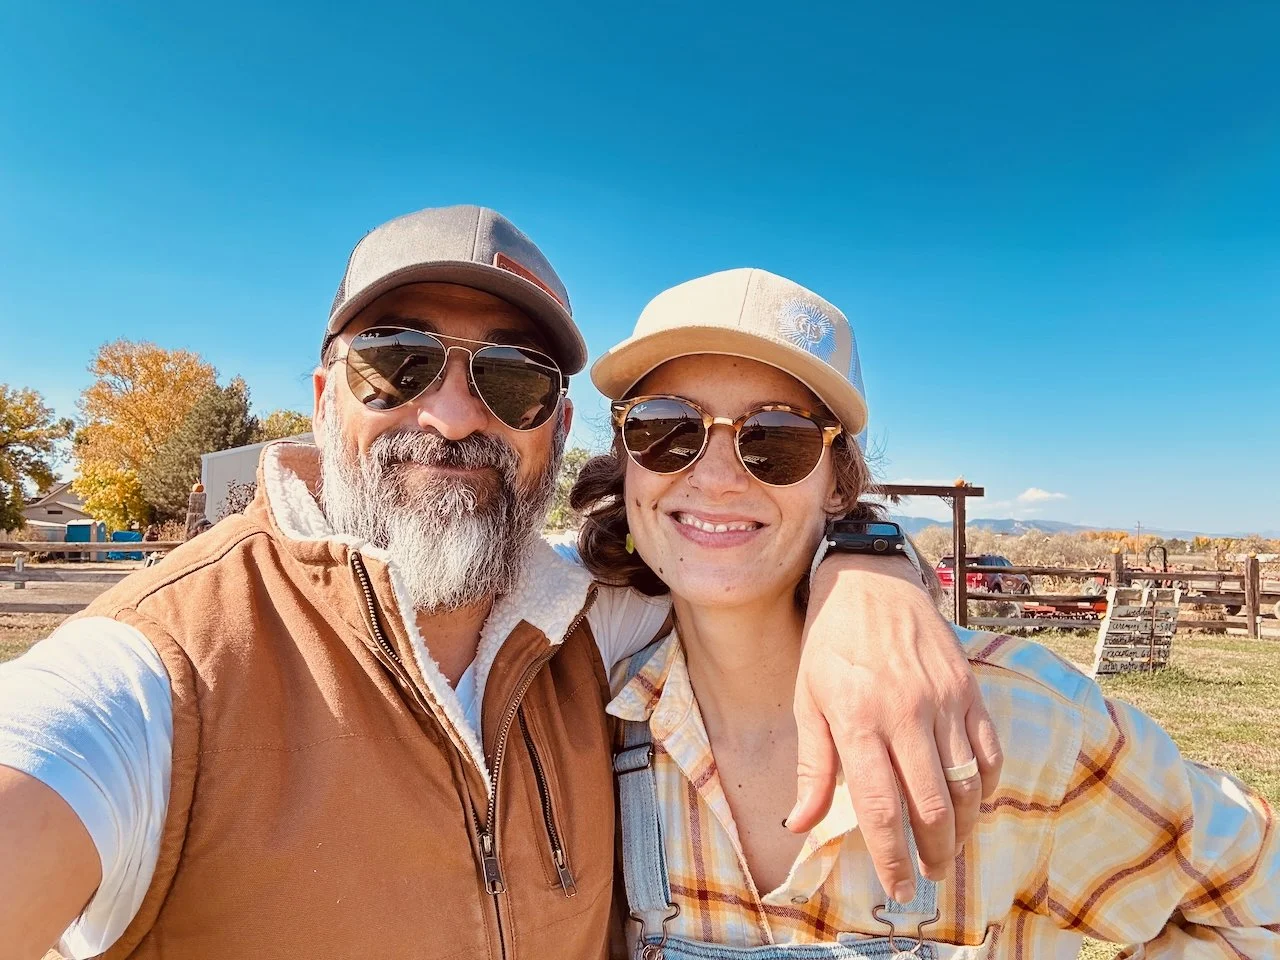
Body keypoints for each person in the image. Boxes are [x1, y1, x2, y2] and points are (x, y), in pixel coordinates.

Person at [0, 207, 998, 960]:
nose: (448, 415)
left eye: (511, 379)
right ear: (322, 399)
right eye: (395, 363)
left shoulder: (588, 622)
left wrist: (868, 564)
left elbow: (744, 542)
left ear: (556, 430)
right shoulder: (157, 676)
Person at [573, 268, 1279, 959]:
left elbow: (1256, 894)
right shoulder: (596, 717)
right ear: (626, 461)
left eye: (776, 439)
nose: (718, 476)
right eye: (665, 429)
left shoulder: (1016, 719)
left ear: (836, 485)